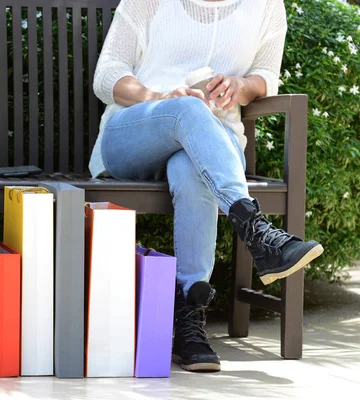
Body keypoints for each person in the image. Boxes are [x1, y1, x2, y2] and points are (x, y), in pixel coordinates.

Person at [91, 0, 324, 372]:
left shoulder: (266, 6)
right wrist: (159, 98)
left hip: (212, 145)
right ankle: (256, 230)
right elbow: (107, 75)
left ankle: (189, 320)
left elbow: (266, 75)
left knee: (192, 168)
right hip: (137, 132)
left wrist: (241, 86)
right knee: (190, 110)